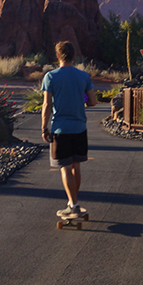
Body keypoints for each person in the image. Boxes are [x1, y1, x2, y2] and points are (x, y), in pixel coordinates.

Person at [41, 41, 98, 218]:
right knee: (76, 165)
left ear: (57, 56)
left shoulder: (50, 77)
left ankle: (73, 205)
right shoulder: (84, 76)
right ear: (74, 56)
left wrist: (44, 127)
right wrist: (82, 103)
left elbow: (47, 104)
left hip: (60, 129)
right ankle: (73, 202)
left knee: (64, 167)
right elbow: (93, 101)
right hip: (80, 128)